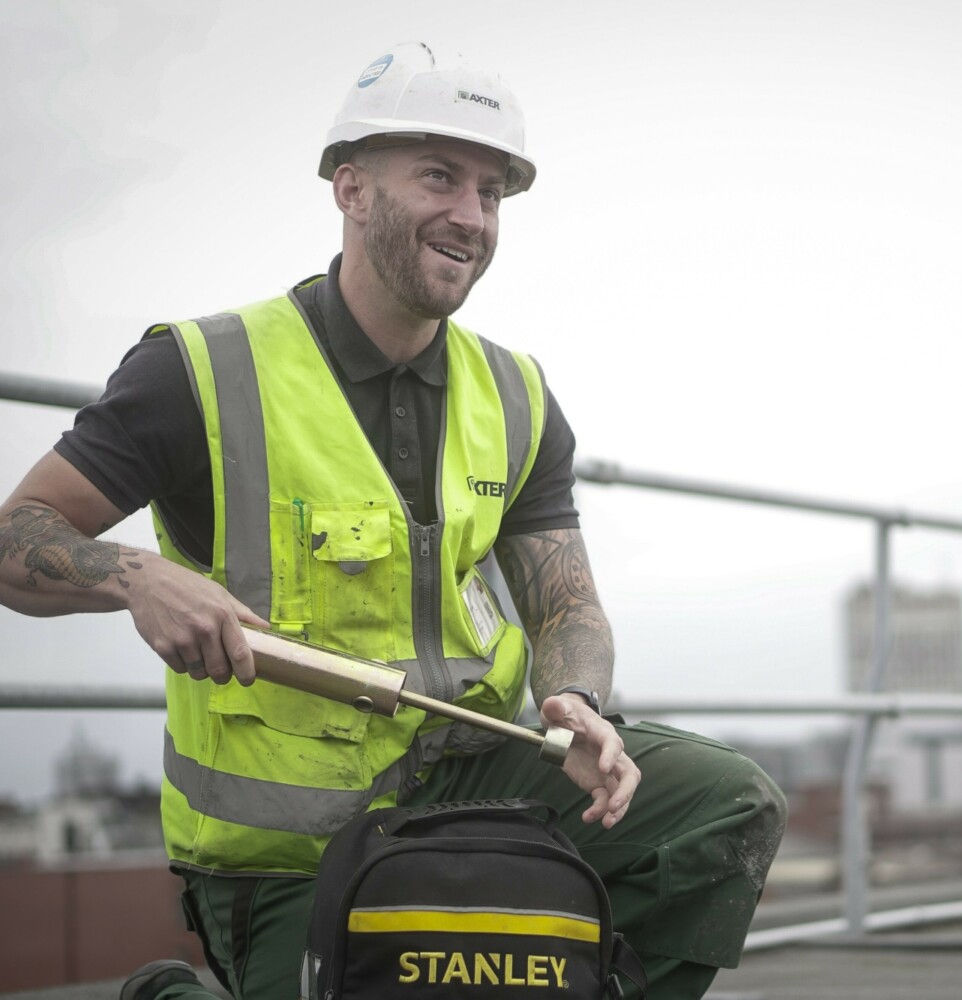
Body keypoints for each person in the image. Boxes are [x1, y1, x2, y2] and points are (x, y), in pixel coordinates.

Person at [0, 42, 785, 1000]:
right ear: (351, 188)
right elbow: (14, 536)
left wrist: (576, 698)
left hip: (476, 779)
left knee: (727, 805)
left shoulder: (517, 396)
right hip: (293, 852)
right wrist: (134, 578)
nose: (471, 214)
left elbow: (568, 604)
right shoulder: (201, 373)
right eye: (439, 177)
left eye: (492, 191)